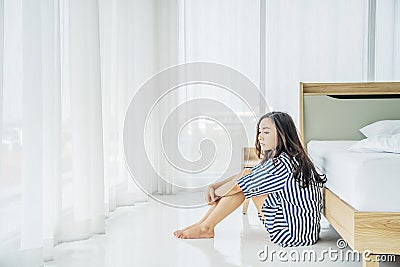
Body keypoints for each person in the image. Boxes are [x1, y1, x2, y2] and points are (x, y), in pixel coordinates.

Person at [173, 111, 326, 247]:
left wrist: (217, 193)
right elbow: (249, 173)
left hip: (291, 235)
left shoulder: (280, 165)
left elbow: (242, 182)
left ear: (283, 135)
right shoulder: (291, 158)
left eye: (266, 132)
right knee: (246, 177)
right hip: (306, 233)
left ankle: (205, 227)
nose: (259, 137)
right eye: (259, 132)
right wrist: (214, 186)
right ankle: (203, 225)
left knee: (243, 185)